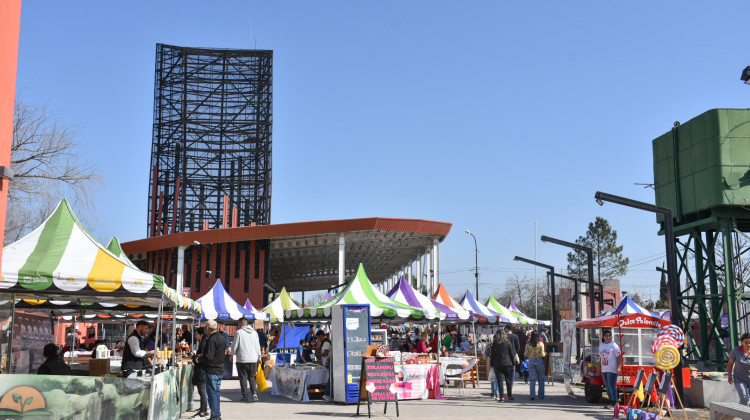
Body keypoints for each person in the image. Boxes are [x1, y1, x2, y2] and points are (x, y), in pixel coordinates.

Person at [200, 320, 227, 420]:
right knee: (216, 393)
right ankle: (216, 414)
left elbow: (209, 356)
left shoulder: (212, 339)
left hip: (212, 369)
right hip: (219, 368)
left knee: (212, 394)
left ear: (208, 328)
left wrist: (199, 359)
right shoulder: (222, 337)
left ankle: (215, 416)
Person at [231, 317, 262, 403]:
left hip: (242, 359)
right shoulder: (254, 333)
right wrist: (259, 357)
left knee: (243, 378)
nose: (238, 326)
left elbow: (235, 345)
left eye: (238, 324)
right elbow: (257, 346)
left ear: (242, 323)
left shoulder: (239, 332)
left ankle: (245, 396)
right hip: (253, 359)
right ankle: (254, 393)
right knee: (252, 377)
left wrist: (232, 354)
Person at [489, 330, 517, 402]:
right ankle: (509, 396)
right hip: (508, 364)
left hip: (498, 364)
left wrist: (492, 364)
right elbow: (512, 354)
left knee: (500, 381)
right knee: (508, 380)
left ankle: (502, 397)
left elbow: (492, 355)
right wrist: (513, 364)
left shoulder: (495, 343)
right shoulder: (508, 342)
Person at [599, 329, 622, 405]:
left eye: (609, 336)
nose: (608, 337)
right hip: (604, 368)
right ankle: (610, 399)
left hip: (612, 368)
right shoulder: (602, 345)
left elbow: (619, 357)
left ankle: (614, 401)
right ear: (603, 337)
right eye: (606, 336)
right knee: (607, 386)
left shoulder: (613, 345)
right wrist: (599, 367)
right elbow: (601, 357)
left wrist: (618, 367)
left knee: (612, 386)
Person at [728, 332, 750, 406]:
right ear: (742, 342)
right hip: (739, 379)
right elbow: (730, 364)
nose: (748, 345)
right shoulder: (736, 351)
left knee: (748, 401)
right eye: (746, 342)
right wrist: (729, 376)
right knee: (744, 399)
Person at [192, 327, 208, 419]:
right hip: (202, 370)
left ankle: (202, 412)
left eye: (196, 334)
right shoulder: (203, 343)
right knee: (202, 392)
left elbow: (202, 357)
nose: (195, 336)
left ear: (201, 335)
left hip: (201, 370)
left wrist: (195, 358)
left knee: (202, 392)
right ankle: (204, 410)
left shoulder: (204, 344)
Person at [524, 331, 546, 400]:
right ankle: (541, 395)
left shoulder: (528, 345)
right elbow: (542, 354)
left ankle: (532, 395)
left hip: (531, 361)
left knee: (532, 380)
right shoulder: (541, 344)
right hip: (539, 361)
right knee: (541, 379)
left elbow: (525, 354)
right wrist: (545, 354)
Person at [315, 330, 332, 400]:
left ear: (321, 336)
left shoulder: (326, 343)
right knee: (329, 378)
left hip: (329, 362)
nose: (318, 340)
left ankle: (327, 394)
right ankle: (328, 393)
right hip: (327, 362)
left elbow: (326, 353)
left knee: (329, 379)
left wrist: (318, 355)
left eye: (318, 338)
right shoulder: (325, 342)